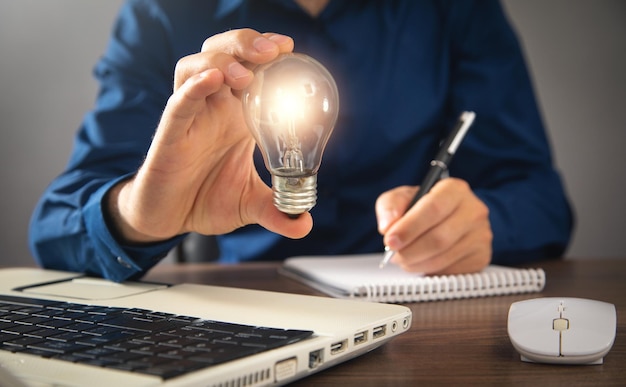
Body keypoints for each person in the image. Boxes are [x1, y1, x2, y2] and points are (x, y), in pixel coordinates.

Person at [29, 0, 573, 282]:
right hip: (253, 307)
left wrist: (476, 224)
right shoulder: (166, 13)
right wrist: (141, 213)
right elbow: (55, 228)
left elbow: (542, 200)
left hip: (406, 299)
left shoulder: (454, 10)